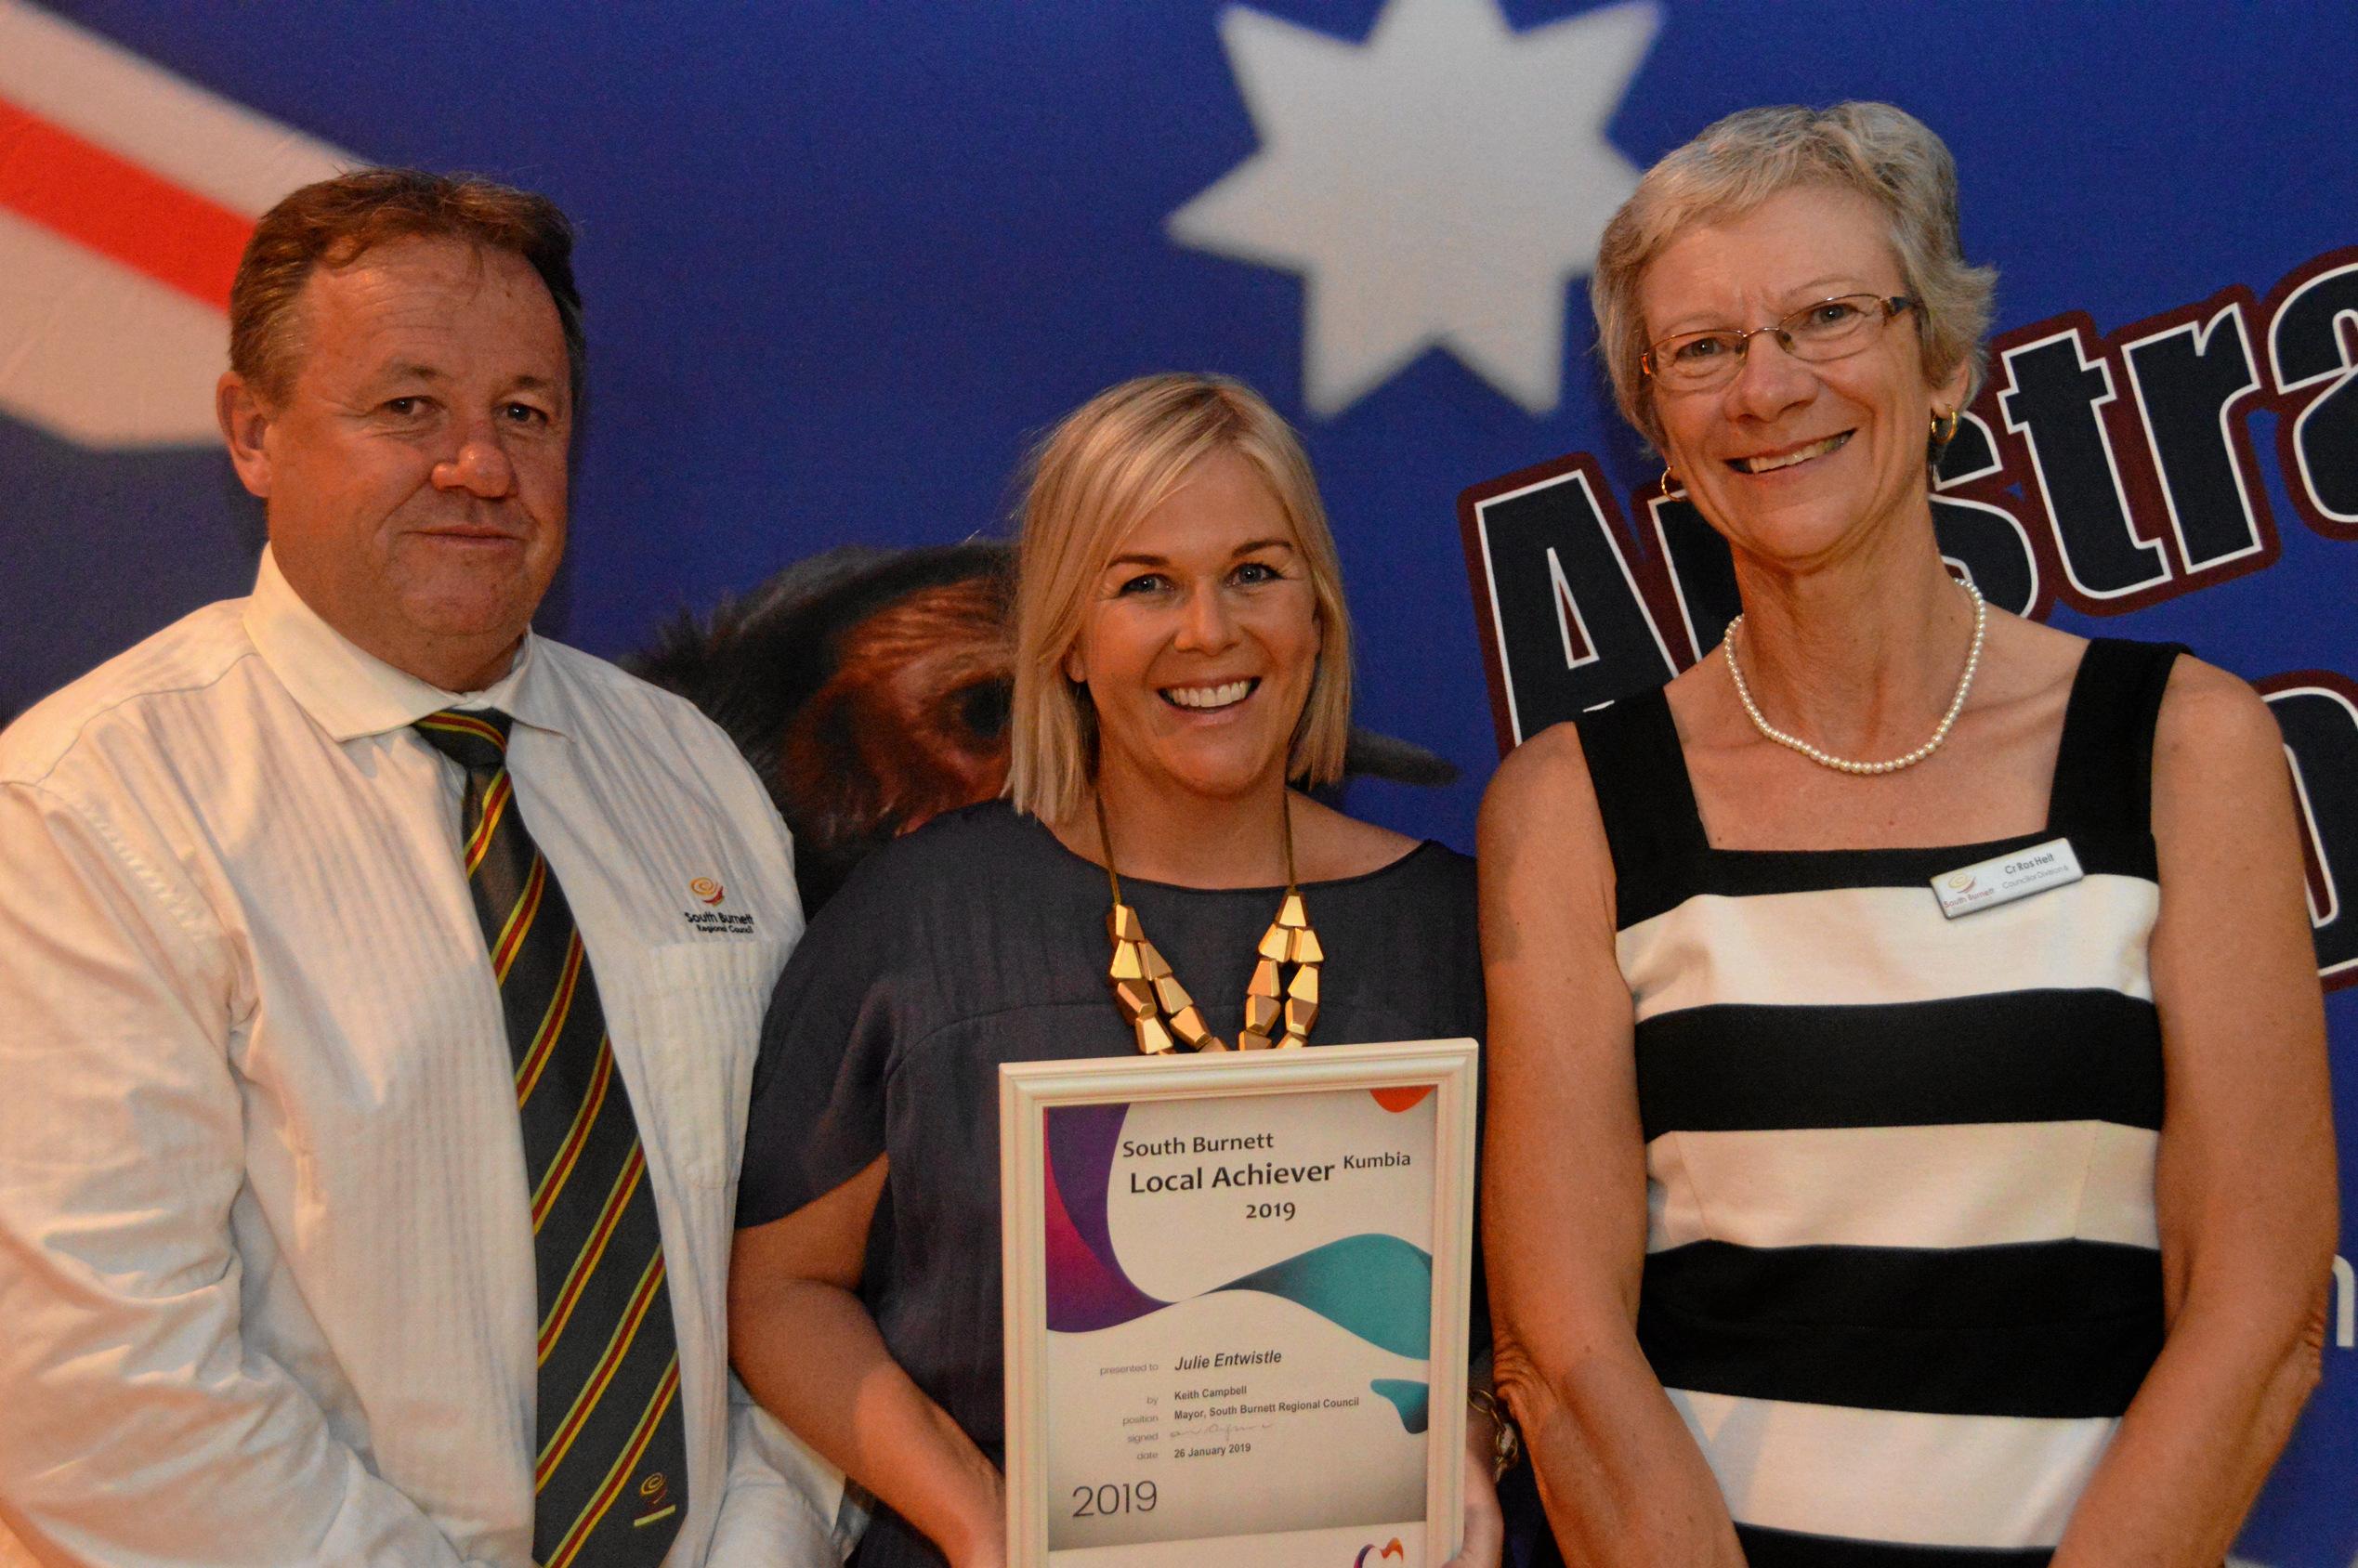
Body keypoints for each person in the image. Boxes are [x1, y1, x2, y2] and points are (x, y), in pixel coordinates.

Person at [1479, 102, 2336, 1566]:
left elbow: (2257, 1313)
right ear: (1658, 430)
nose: (1765, 387)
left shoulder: (2182, 747)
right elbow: (1561, 1355)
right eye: (1700, 349)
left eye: (1825, 318)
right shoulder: (1570, 807)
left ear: (1942, 364)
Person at [0, 170, 845, 1568]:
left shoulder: (689, 773)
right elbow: (87, 1374)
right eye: (408, 407)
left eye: (526, 412)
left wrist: (766, 1540)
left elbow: (802, 1251)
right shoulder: (85, 809)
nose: (478, 465)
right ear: (251, 431)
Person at [728, 373, 1506, 1568]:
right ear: (1068, 642)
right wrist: (980, 1524)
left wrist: (1467, 1436)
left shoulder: (1467, 930)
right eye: (1145, 584)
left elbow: (1550, 1308)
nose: (1209, 632)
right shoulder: (925, 916)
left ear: (1320, 615)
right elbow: (778, 1292)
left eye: (1256, 571)